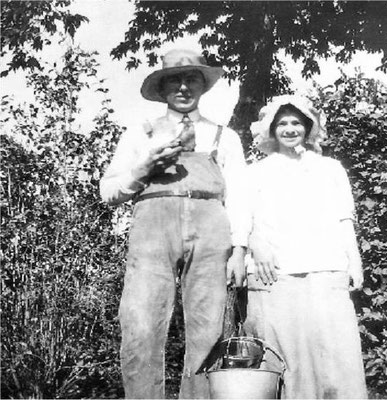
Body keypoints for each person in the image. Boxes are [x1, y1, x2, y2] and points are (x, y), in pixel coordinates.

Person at [100, 48, 247, 399]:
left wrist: (240, 250)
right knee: (140, 324)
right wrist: (145, 165)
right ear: (162, 88)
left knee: (208, 328)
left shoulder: (224, 136)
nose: (184, 87)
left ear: (203, 86)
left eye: (191, 79)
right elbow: (109, 191)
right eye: (174, 81)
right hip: (153, 229)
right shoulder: (141, 133)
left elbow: (241, 196)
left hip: (211, 228)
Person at [244, 95, 367, 399]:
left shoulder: (330, 169)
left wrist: (355, 262)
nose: (289, 129)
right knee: (290, 360)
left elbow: (343, 218)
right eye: (282, 123)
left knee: (336, 355)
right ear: (271, 130)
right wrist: (255, 242)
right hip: (278, 274)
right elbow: (241, 218)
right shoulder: (256, 171)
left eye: (296, 122)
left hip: (327, 269)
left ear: (309, 127)